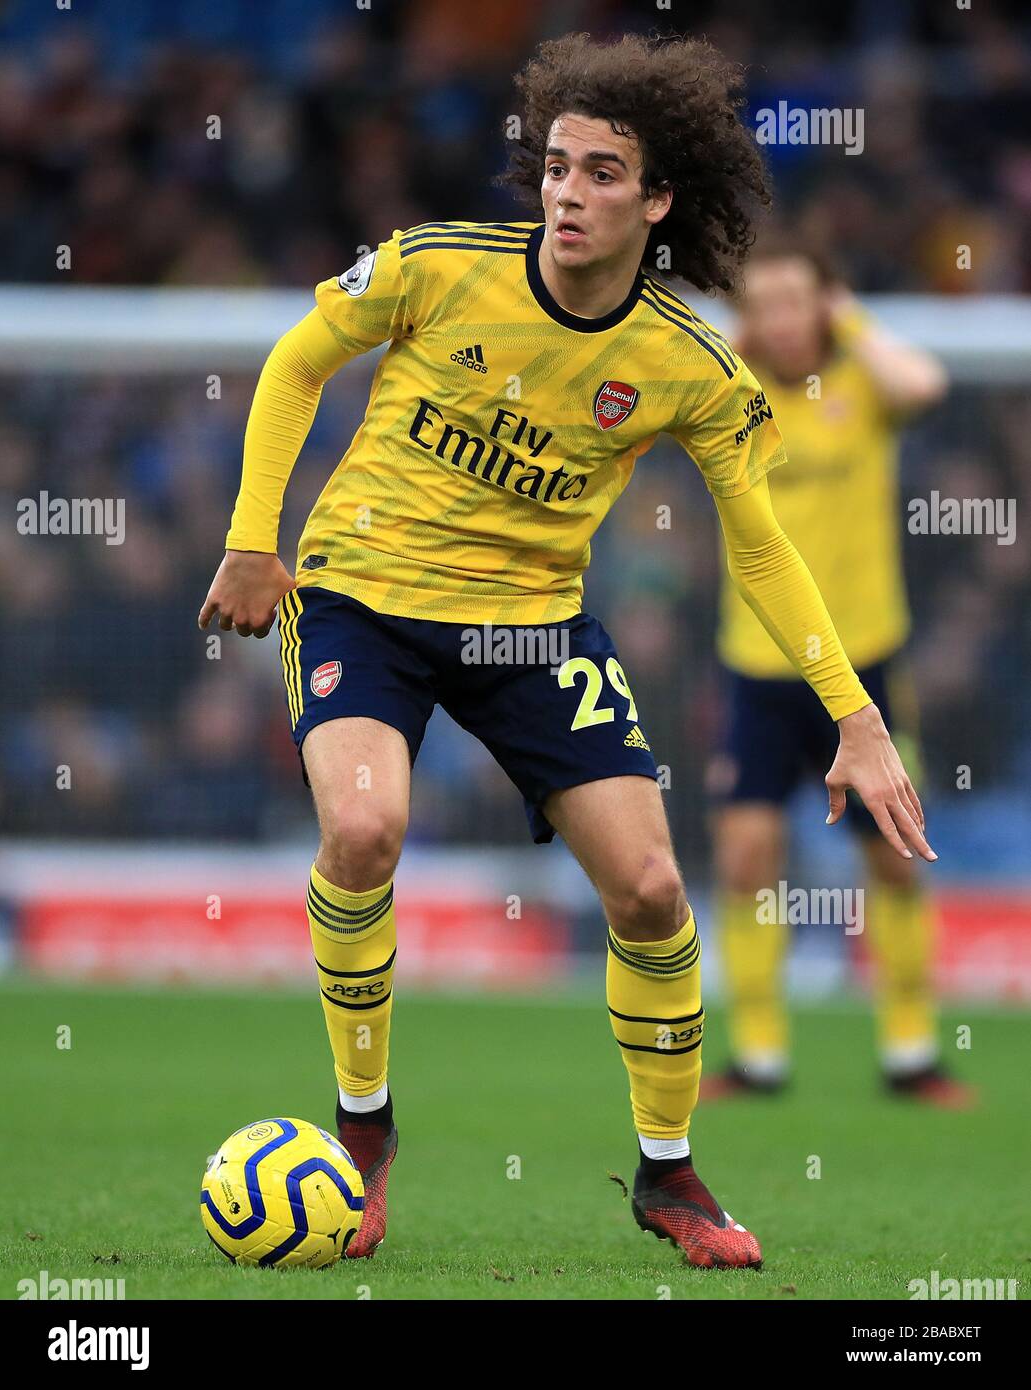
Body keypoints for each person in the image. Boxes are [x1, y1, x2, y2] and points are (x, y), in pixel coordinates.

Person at [198, 33, 934, 1270]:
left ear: (656, 201)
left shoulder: (687, 361)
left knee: (651, 889)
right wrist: (250, 541)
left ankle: (668, 1175)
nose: (568, 194)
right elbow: (296, 360)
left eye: (602, 173)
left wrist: (857, 718)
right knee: (365, 830)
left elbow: (760, 548)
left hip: (533, 630)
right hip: (362, 602)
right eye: (555, 167)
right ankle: (363, 1132)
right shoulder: (435, 267)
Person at [706, 237, 974, 1107]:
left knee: (892, 857)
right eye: (762, 304)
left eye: (797, 300)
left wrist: (848, 314)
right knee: (746, 853)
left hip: (862, 669)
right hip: (756, 663)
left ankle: (909, 1051)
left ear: (824, 306)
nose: (781, 320)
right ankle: (758, 1055)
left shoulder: (861, 382)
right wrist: (730, 342)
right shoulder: (728, 394)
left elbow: (924, 384)